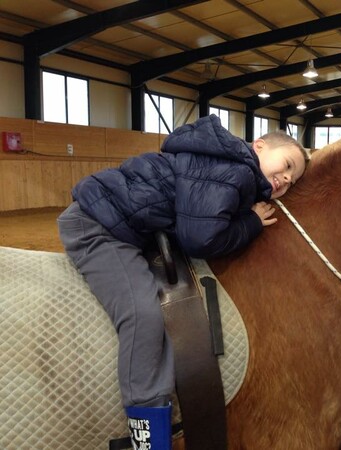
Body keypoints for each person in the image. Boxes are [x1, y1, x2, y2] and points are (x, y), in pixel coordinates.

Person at [57, 115, 308, 450]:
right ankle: (147, 433)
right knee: (142, 311)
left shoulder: (223, 163)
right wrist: (249, 223)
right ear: (258, 146)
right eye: (288, 164)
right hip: (97, 227)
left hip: (121, 220)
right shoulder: (234, 170)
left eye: (292, 179)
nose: (287, 177)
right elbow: (200, 238)